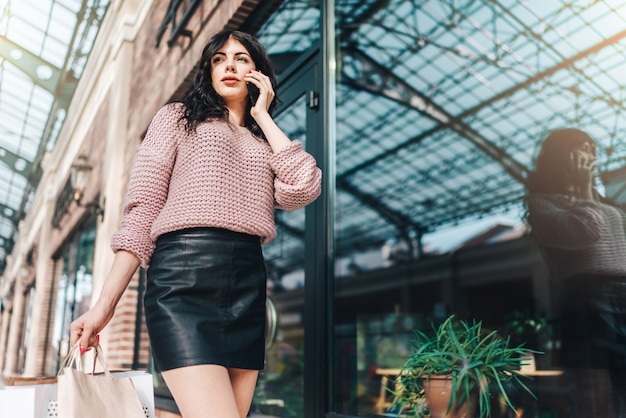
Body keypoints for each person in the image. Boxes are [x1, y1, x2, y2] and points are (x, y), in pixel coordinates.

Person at [69, 29, 322, 418]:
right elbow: (142, 213)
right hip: (183, 279)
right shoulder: (177, 118)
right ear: (208, 69)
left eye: (241, 58)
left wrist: (262, 116)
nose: (229, 66)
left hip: (247, 284)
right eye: (219, 59)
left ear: (258, 73)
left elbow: (304, 186)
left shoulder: (264, 141)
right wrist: (105, 305)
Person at [525, 128, 626, 417]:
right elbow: (585, 235)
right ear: (560, 157)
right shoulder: (541, 204)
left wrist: (589, 193)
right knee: (597, 396)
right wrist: (585, 190)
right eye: (580, 147)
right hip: (588, 299)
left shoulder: (607, 205)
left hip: (622, 294)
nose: (589, 154)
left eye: (591, 147)